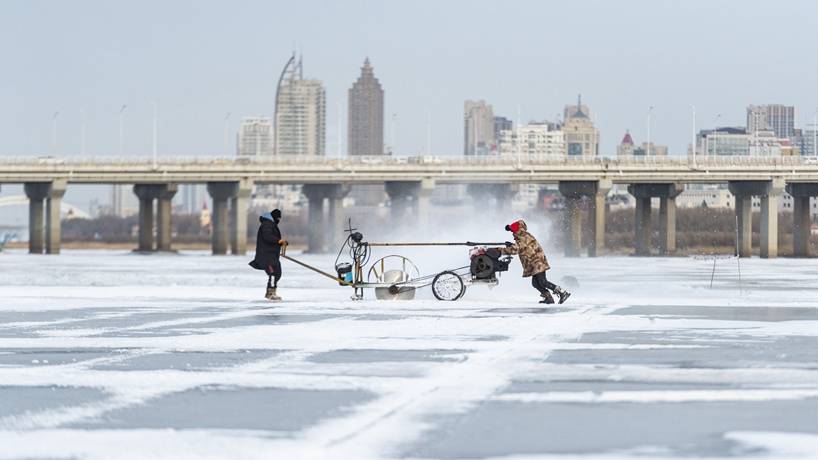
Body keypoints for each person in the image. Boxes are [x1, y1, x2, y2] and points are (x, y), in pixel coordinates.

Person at [496, 219, 570, 304]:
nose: (512, 233)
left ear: (519, 230)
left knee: (543, 282)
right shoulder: (523, 237)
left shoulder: (523, 237)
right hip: (534, 262)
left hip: (537, 262)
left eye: (513, 230)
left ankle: (562, 292)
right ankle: (548, 298)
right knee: (536, 284)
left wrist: (499, 251)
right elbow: (520, 247)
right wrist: (512, 245)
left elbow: (515, 250)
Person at [249, 209, 287, 300]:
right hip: (266, 255)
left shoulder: (270, 224)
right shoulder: (267, 224)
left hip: (272, 255)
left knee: (277, 273)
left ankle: (272, 291)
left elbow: (273, 238)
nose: (279, 220)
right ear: (273, 217)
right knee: (273, 273)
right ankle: (270, 293)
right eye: (278, 218)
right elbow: (267, 236)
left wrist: (282, 243)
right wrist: (278, 240)